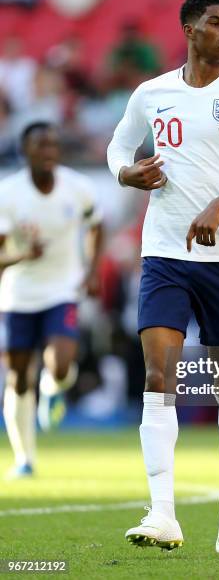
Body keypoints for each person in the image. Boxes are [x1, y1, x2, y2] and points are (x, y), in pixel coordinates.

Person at [107, 0, 219, 553]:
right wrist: (125, 173)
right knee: (158, 378)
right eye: (216, 23)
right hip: (164, 254)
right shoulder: (151, 93)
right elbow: (118, 146)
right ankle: (163, 514)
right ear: (189, 29)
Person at [0, 121, 103, 478]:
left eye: (52, 145)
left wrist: (91, 269)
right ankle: (25, 458)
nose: (47, 152)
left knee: (59, 363)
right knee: (17, 376)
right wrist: (22, 256)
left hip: (62, 288)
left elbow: (96, 223)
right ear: (24, 151)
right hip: (17, 294)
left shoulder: (78, 187)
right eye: (40, 146)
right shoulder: (8, 194)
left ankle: (53, 388)